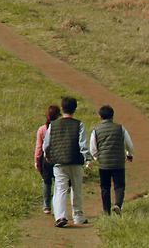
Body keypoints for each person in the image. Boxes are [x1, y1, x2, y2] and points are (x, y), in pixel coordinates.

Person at [42, 96, 90, 227]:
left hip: (59, 162)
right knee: (77, 189)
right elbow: (83, 145)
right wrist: (88, 159)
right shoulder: (79, 124)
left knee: (60, 189)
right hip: (75, 161)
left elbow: (46, 144)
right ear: (75, 108)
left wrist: (48, 155)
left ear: (62, 108)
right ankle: (78, 216)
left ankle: (60, 216)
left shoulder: (53, 125)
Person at [89, 104, 134, 215]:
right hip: (118, 162)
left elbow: (93, 148)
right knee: (119, 185)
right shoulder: (120, 128)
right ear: (112, 116)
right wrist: (129, 154)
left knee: (105, 187)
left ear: (100, 116)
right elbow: (129, 144)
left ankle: (106, 211)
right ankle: (118, 204)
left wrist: (97, 157)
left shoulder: (96, 130)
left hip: (104, 164)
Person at [34, 104, 61, 213]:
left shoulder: (42, 129)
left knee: (46, 182)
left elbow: (39, 147)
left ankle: (46, 205)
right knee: (58, 183)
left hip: (46, 159)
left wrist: (36, 160)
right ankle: (57, 205)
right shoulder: (60, 128)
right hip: (59, 158)